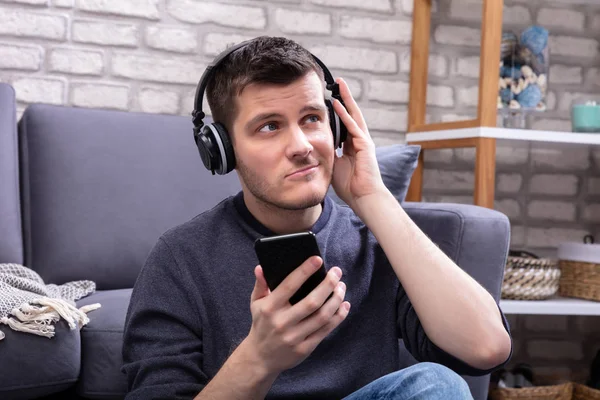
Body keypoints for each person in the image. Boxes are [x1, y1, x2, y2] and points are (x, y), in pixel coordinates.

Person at [121, 36, 512, 400]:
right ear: (223, 151)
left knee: (437, 384)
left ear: (337, 128)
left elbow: (486, 348)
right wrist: (260, 358)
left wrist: (372, 197)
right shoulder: (180, 258)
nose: (302, 146)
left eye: (311, 118)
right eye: (269, 126)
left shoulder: (376, 242)